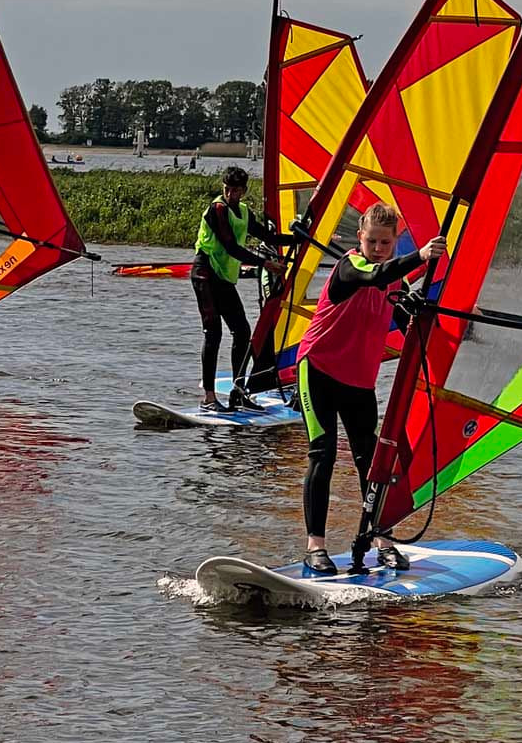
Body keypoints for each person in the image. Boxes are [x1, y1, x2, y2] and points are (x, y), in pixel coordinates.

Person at [295, 203, 446, 576]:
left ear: (394, 241)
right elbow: (374, 276)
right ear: (359, 238)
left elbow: (403, 315)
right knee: (323, 453)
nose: (378, 248)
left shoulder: (394, 278)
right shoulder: (351, 268)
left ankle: (383, 539)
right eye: (372, 241)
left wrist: (434, 315)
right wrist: (421, 256)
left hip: (358, 382)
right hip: (317, 371)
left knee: (371, 459)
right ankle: (315, 547)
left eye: (385, 242)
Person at [191, 165, 293, 412]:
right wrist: (266, 263)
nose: (230, 194)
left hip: (224, 278)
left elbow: (269, 238)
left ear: (244, 191)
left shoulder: (244, 212)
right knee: (213, 332)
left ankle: (238, 393)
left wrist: (301, 237)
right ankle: (209, 398)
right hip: (205, 273)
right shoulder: (217, 210)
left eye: (235, 191)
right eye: (227, 189)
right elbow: (230, 247)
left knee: (242, 331)